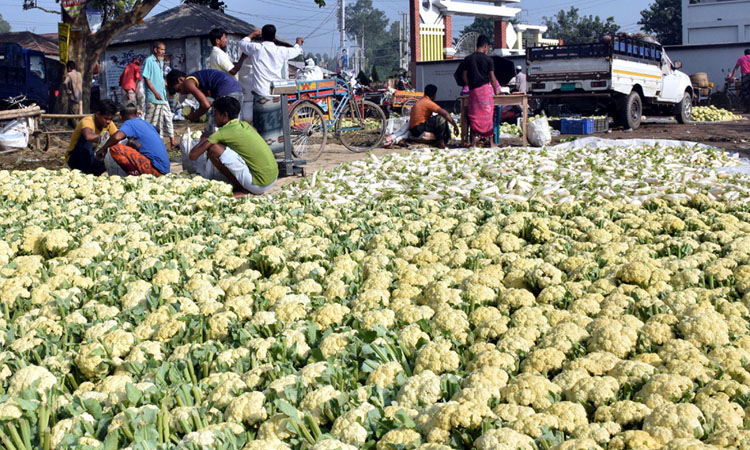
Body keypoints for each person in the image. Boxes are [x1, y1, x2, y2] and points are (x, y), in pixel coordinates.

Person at [186, 96, 278, 196]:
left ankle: (243, 189)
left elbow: (193, 156)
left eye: (215, 113)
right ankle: (246, 186)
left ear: (224, 115)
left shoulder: (222, 132)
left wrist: (204, 138)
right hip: (273, 178)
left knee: (213, 148)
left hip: (258, 184)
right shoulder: (245, 125)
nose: (214, 117)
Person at [239, 24, 304, 149]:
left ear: (262, 35)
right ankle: (279, 147)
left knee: (260, 125)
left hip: (261, 94)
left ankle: (262, 149)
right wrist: (297, 43)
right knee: (277, 125)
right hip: (276, 93)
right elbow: (296, 51)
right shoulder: (280, 50)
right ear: (274, 36)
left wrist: (252, 35)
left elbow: (242, 43)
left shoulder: (256, 48)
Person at [95, 103, 170, 177]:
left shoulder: (129, 123)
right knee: (129, 143)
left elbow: (116, 137)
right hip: (164, 169)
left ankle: (135, 178)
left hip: (155, 169)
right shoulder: (145, 123)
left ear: (121, 117)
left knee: (115, 149)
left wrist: (103, 149)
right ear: (137, 114)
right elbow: (157, 130)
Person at [166, 69, 244, 134]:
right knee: (233, 126)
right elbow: (206, 103)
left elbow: (206, 105)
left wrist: (193, 116)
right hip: (237, 91)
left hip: (226, 92)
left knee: (212, 129)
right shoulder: (198, 80)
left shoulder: (187, 82)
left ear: (181, 80)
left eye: (179, 89)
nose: (181, 93)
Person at [462, 35, 501, 146]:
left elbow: (464, 76)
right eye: (487, 47)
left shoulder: (468, 59)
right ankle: (491, 142)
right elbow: (492, 77)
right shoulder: (488, 60)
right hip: (485, 91)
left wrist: (471, 85)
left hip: (474, 91)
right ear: (485, 46)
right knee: (488, 115)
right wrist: (496, 90)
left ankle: (473, 142)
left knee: (474, 115)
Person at [67, 99, 118, 175]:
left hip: (94, 157)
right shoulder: (87, 121)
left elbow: (117, 136)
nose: (108, 121)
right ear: (98, 114)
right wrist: (105, 139)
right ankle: (86, 172)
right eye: (106, 118)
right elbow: (88, 136)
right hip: (76, 159)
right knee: (86, 139)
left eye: (110, 119)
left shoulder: (109, 124)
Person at [142, 41, 176, 149]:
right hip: (153, 97)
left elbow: (160, 76)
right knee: (151, 121)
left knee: (167, 118)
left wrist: (165, 84)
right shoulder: (149, 61)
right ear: (155, 50)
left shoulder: (160, 62)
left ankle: (172, 143)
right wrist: (155, 92)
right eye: (161, 49)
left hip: (163, 96)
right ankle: (147, 143)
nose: (163, 52)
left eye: (164, 50)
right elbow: (146, 78)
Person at [408, 84, 459, 149]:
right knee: (441, 118)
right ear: (434, 95)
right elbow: (445, 113)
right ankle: (441, 143)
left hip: (414, 128)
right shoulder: (428, 102)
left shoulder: (421, 101)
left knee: (439, 119)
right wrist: (455, 126)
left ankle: (445, 139)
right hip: (418, 128)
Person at [730, 49, 750, 113]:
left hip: (745, 77)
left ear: (744, 53)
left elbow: (736, 68)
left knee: (745, 92)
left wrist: (732, 76)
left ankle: (747, 109)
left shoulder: (741, 59)